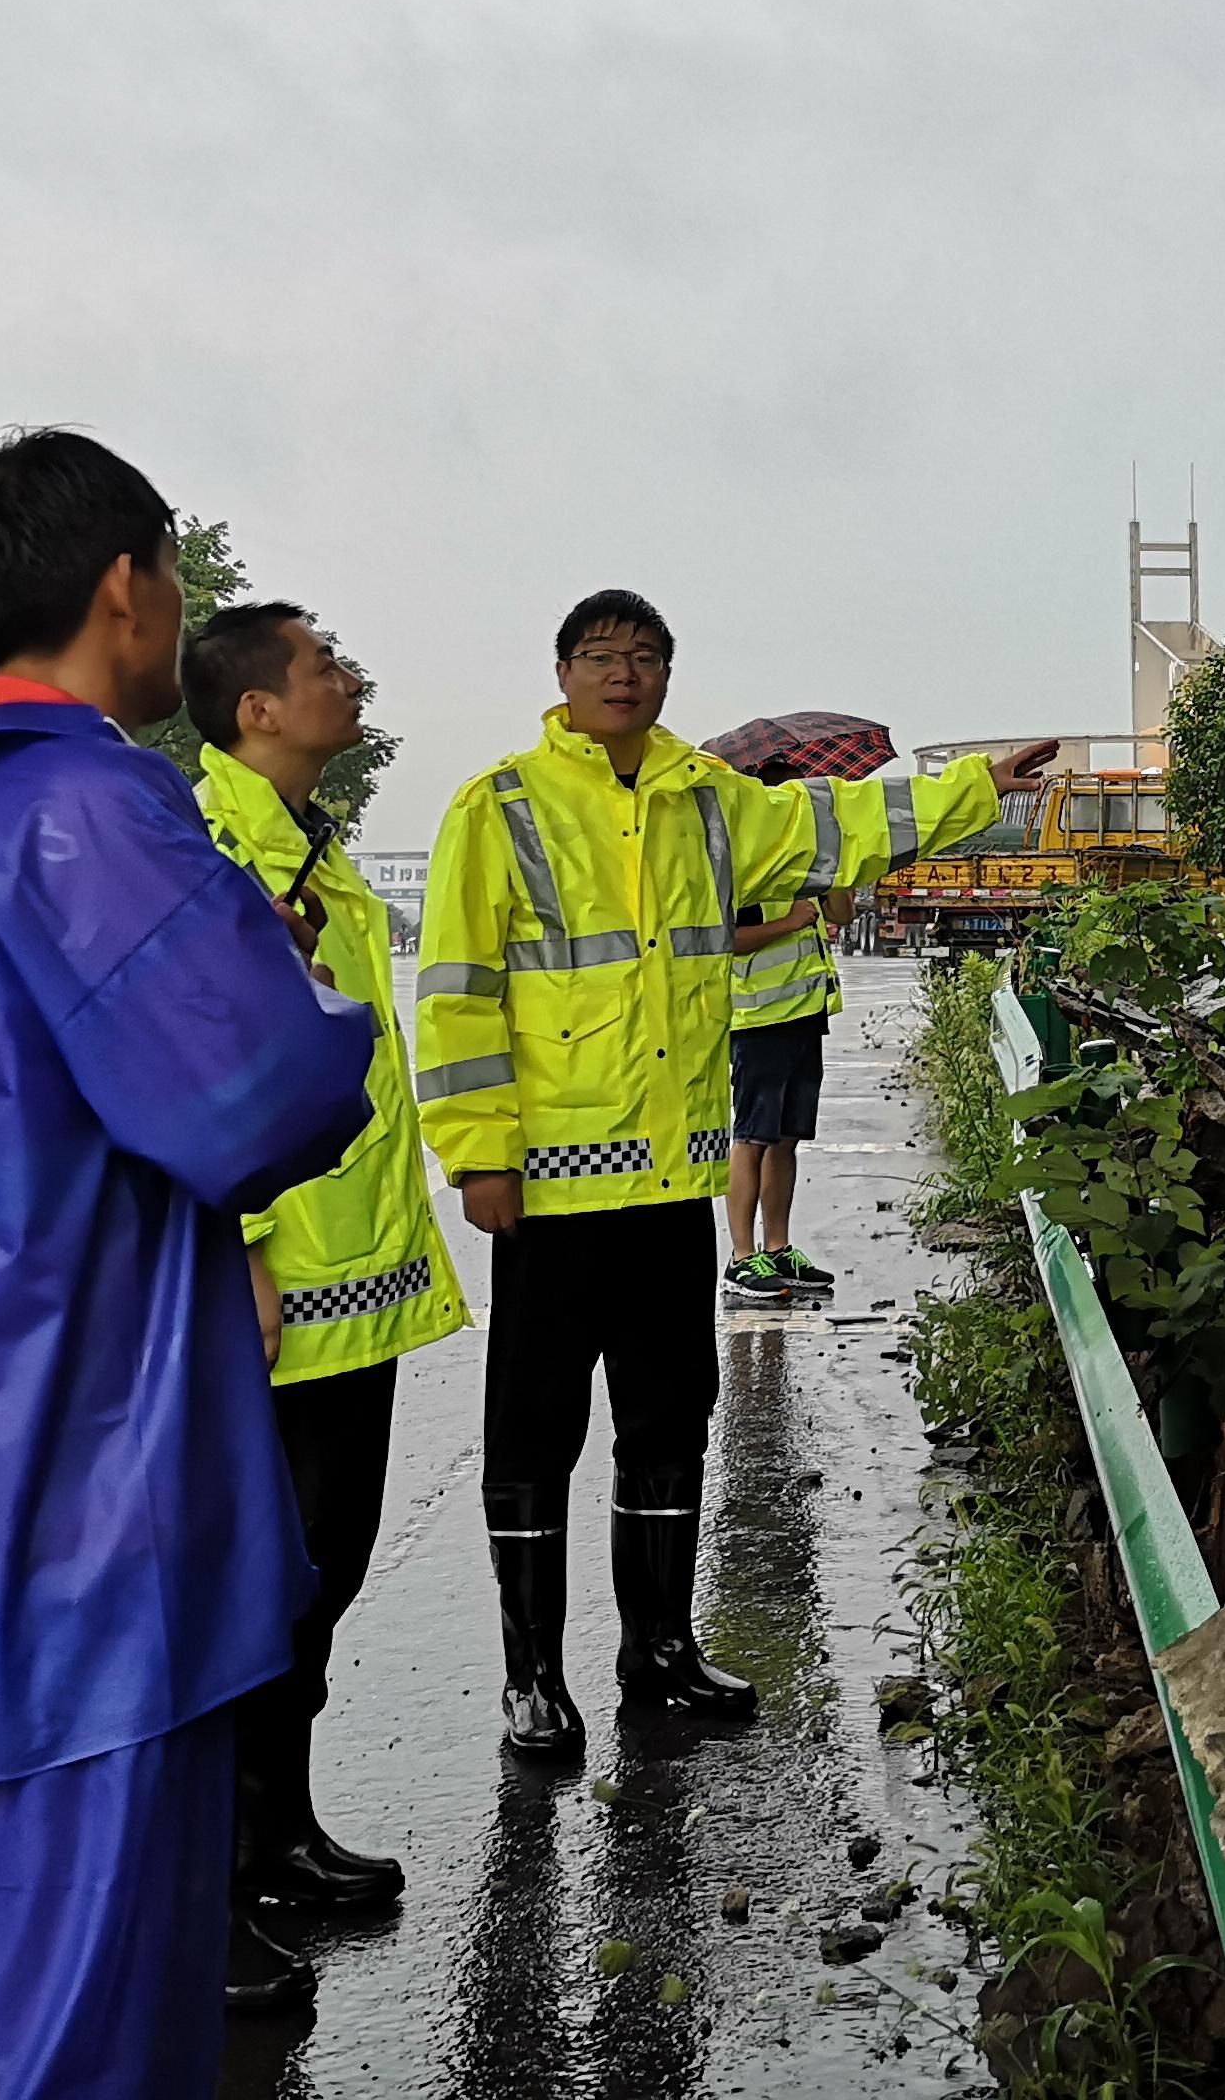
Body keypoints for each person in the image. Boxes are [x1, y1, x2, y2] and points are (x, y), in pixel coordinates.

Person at [0, 434, 376, 2091]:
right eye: (171, 575)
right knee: (73, 1996)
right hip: (80, 1493)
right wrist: (295, 989)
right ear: (127, 587)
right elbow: (256, 1091)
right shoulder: (86, 812)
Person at [414, 587, 1049, 1755]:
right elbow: (456, 991)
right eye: (601, 656)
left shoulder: (710, 803)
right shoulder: (495, 808)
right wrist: (476, 1157)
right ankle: (532, 1678)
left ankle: (657, 1649)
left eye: (646, 657)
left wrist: (977, 786)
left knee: (669, 1418)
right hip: (549, 1188)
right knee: (535, 1430)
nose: (624, 674)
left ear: (666, 677)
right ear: (561, 674)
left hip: (666, 1185)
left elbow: (842, 822)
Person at [180, 602, 470, 1969]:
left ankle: (278, 1830)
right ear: (255, 708)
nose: (351, 682)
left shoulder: (312, 853)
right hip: (274, 1289)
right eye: (323, 668)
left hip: (350, 1281)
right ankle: (217, 1871)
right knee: (258, 1586)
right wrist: (237, 1244)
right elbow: (199, 1078)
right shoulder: (215, 855)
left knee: (322, 1570)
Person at [719, 779, 843, 1306]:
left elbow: (842, 914)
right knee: (752, 1137)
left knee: (787, 1138)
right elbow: (722, 938)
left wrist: (835, 864)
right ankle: (742, 1259)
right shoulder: (742, 865)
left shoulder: (803, 861)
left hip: (804, 1015)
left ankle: (778, 1246)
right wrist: (791, 921)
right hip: (757, 1020)